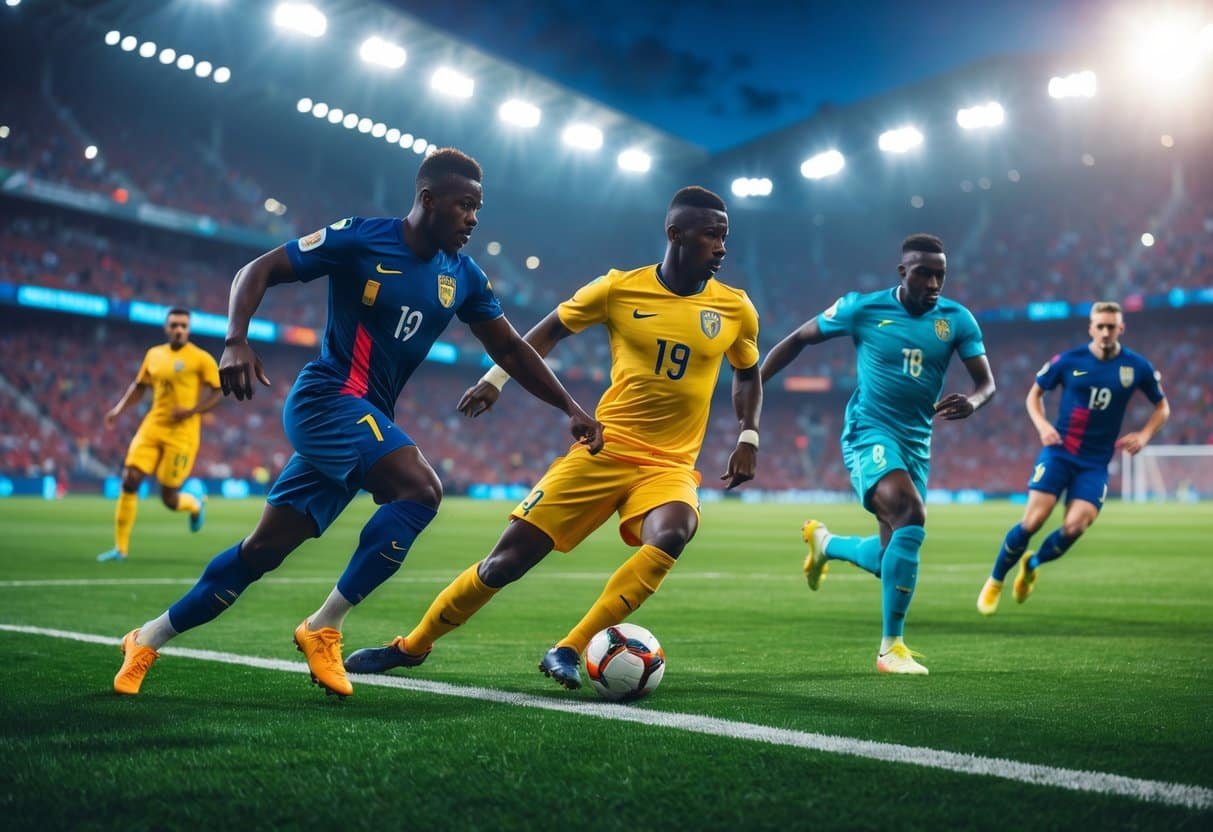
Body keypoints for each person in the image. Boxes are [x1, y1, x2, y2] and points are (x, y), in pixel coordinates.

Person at [112, 148, 601, 697]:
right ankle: (324, 626)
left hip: (365, 419)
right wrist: (234, 339)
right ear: (428, 199)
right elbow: (258, 269)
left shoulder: (463, 276)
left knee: (261, 552)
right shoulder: (362, 238)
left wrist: (570, 407)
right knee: (420, 490)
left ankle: (146, 637)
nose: (473, 219)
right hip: (327, 399)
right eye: (464, 206)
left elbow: (510, 348)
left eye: (478, 209)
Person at [345, 185, 762, 690]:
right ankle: (411, 647)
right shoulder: (617, 289)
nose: (721, 247)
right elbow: (549, 331)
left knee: (674, 531)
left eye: (724, 236)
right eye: (711, 235)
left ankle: (569, 648)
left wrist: (749, 435)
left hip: (668, 466)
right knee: (504, 564)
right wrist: (496, 378)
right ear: (675, 234)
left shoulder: (735, 308)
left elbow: (747, 372)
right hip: (605, 449)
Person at [761, 233, 994, 675]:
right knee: (911, 512)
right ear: (903, 272)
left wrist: (974, 402)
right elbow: (798, 338)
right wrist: (754, 382)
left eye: (940, 275)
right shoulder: (862, 308)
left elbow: (987, 383)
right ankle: (891, 649)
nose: (933, 284)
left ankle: (826, 544)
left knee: (892, 557)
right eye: (924, 274)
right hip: (869, 432)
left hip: (917, 442)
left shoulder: (957, 320)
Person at [977, 301, 1168, 614]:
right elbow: (1034, 394)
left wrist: (1145, 435)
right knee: (1033, 521)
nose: (1105, 332)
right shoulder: (1069, 361)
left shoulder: (1137, 367)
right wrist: (1043, 426)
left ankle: (1032, 564)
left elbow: (1162, 406)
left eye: (1111, 327)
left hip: (1095, 463)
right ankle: (995, 580)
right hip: (1060, 452)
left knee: (1075, 527)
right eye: (1100, 326)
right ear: (1091, 328)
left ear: (1121, 329)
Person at [96, 308, 221, 562]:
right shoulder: (153, 355)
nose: (179, 330)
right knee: (130, 478)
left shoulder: (200, 358)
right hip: (153, 426)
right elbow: (139, 386)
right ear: (166, 328)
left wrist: (191, 411)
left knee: (169, 498)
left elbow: (218, 390)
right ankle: (120, 549)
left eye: (183, 325)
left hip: (183, 434)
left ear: (188, 329)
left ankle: (195, 505)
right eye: (174, 325)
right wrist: (118, 410)